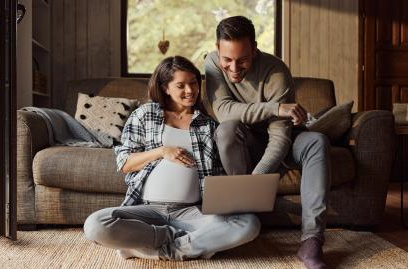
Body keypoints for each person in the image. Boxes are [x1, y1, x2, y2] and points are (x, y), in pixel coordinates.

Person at [84, 56, 261, 261]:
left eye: (194, 82)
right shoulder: (144, 114)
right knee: (96, 224)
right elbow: (125, 163)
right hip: (147, 209)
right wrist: (162, 151)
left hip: (191, 213)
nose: (190, 90)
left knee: (249, 223)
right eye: (181, 85)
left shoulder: (208, 125)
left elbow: (218, 173)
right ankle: (182, 241)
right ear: (166, 88)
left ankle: (158, 250)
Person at [205, 16, 330, 269]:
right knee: (226, 130)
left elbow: (280, 137)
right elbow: (225, 112)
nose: (234, 68)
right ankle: (244, 216)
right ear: (218, 49)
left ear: (255, 48)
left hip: (281, 142)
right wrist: (276, 108)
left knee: (317, 140)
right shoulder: (211, 63)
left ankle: (312, 240)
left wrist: (256, 182)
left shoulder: (276, 71)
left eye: (242, 60)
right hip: (243, 141)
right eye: (227, 59)